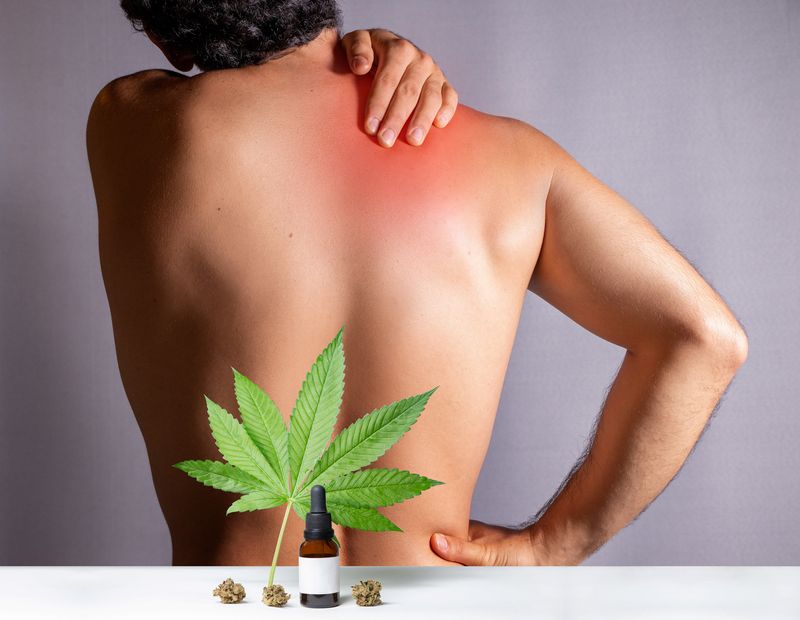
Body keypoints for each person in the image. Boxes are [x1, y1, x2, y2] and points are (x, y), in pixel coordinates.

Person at [87, 1, 748, 567]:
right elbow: (706, 339)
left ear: (163, 34)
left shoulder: (132, 124)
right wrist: (560, 542)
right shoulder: (516, 163)